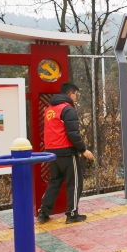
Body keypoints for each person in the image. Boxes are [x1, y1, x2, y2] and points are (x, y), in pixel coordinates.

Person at [38, 82, 94, 224]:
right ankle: (72, 214)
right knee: (74, 182)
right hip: (67, 152)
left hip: (52, 152)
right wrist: (83, 150)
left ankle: (44, 212)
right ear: (70, 94)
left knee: (55, 182)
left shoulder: (49, 109)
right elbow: (73, 134)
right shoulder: (68, 109)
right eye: (76, 94)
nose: (76, 97)